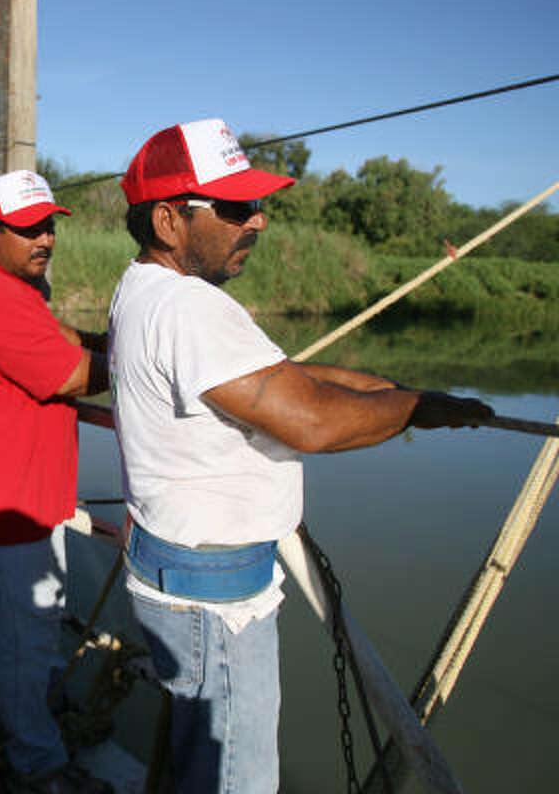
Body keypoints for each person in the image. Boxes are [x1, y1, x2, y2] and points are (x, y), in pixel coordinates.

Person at [107, 118, 494, 794]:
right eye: (234, 207)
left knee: (198, 760)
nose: (257, 222)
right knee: (237, 778)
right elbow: (310, 420)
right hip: (215, 600)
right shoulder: (191, 307)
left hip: (174, 573)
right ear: (169, 220)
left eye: (259, 204)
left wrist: (396, 390)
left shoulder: (142, 289)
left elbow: (279, 377)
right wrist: (418, 410)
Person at [0, 170, 111, 794]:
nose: (43, 238)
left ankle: (35, 724)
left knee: (34, 636)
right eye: (27, 228)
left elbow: (64, 342)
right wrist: (153, 357)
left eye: (48, 225)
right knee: (21, 647)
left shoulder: (17, 289)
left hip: (28, 500)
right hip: (3, 509)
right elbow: (70, 375)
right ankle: (38, 767)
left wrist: (110, 341)